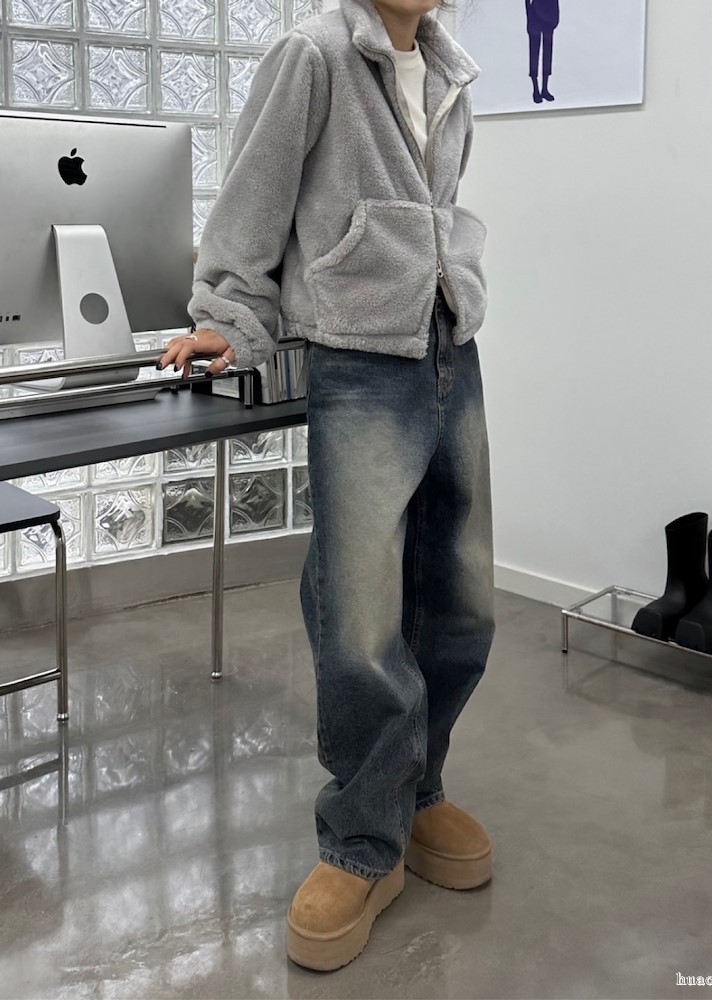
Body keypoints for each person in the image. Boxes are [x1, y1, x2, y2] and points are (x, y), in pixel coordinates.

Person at [158, 0, 495, 972]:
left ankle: (415, 791)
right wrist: (229, 315)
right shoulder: (311, 55)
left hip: (451, 349)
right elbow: (254, 198)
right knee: (359, 614)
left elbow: (434, 213)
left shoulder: (451, 69)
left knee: (462, 602)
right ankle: (360, 838)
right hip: (357, 356)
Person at [526, 0, 559, 103]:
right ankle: (535, 89)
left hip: (549, 17)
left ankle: (544, 88)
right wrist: (529, 13)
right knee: (534, 53)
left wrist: (555, 18)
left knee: (547, 54)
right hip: (535, 16)